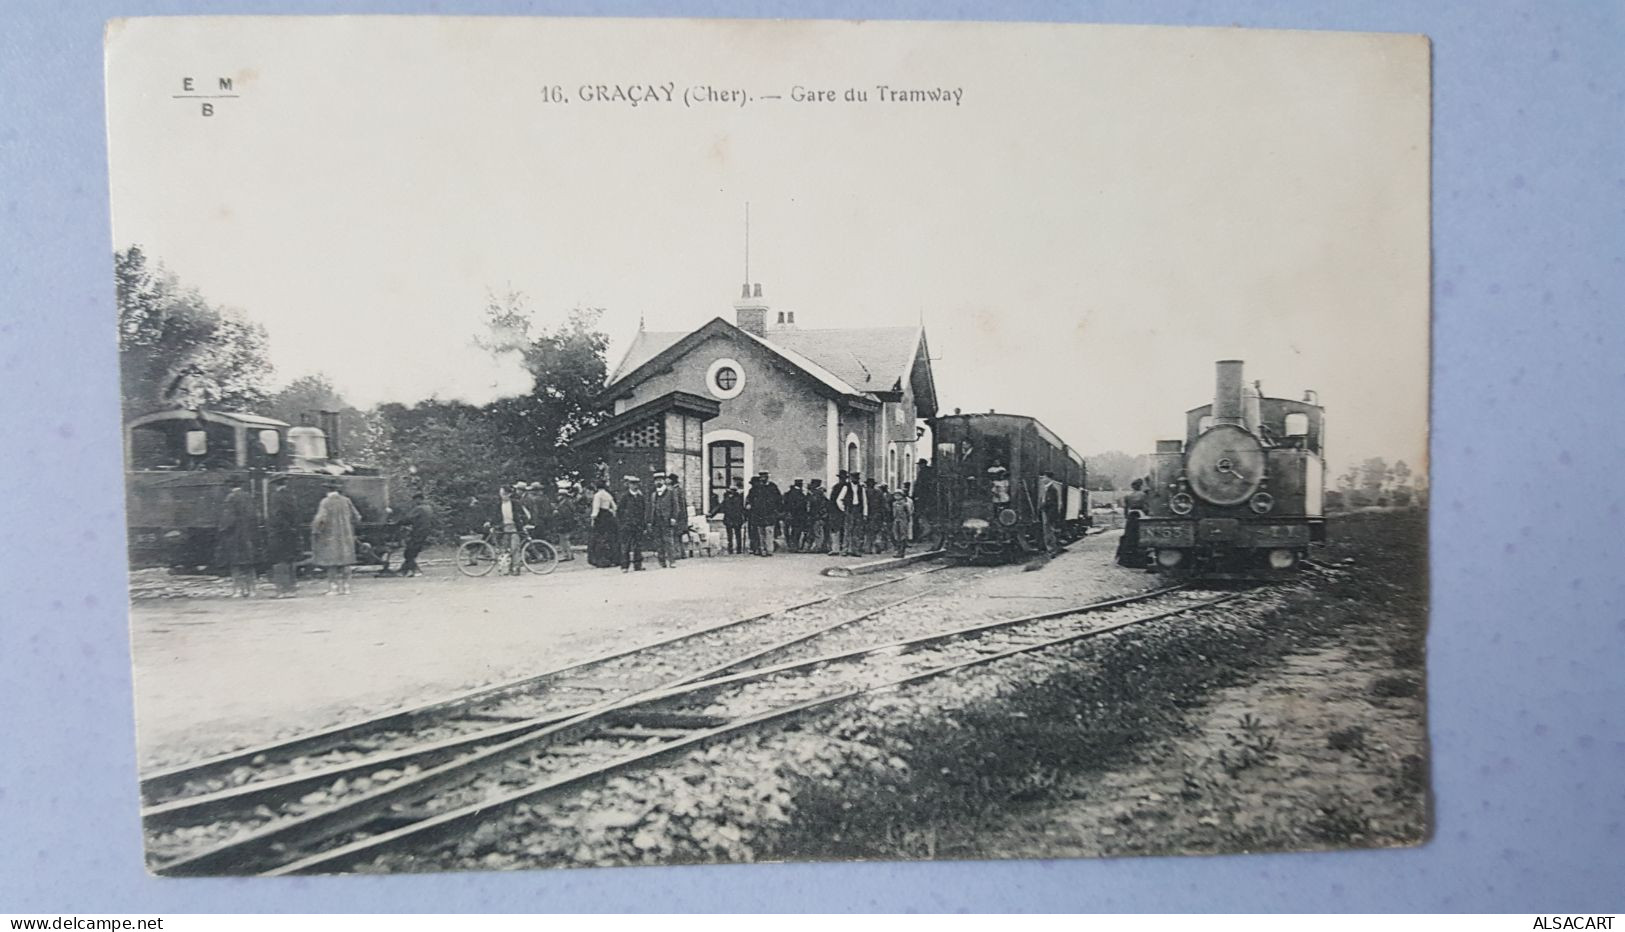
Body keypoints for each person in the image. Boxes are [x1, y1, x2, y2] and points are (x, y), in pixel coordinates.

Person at [311, 480, 362, 595]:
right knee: (346, 561)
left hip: (330, 536)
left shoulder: (325, 502)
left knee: (331, 562)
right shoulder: (346, 501)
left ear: (327, 490)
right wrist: (350, 526)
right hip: (346, 536)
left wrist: (316, 531)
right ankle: (347, 587)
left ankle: (333, 587)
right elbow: (357, 517)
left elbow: (321, 519)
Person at [217, 479, 259, 597]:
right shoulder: (248, 497)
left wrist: (222, 529)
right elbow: (254, 515)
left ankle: (238, 590)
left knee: (236, 564)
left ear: (230, 487)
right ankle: (252, 590)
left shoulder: (230, 498)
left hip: (235, 535)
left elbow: (228, 519)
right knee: (249, 564)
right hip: (248, 535)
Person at [266, 476, 302, 597]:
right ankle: (292, 589)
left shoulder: (276, 496)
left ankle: (281, 590)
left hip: (279, 533)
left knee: (279, 561)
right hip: (291, 533)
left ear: (275, 485)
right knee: (290, 561)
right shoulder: (291, 495)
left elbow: (277, 516)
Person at [647, 473, 683, 568]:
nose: (658, 482)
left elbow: (676, 506)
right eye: (656, 480)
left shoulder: (670, 492)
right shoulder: (653, 494)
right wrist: (650, 521)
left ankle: (672, 561)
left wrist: (674, 518)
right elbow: (651, 508)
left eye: (660, 480)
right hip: (656, 520)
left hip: (667, 520)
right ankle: (661, 561)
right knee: (658, 542)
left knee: (668, 541)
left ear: (664, 481)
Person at [396, 492, 435, 577]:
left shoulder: (419, 508)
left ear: (418, 499)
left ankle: (415, 570)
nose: (413, 502)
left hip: (418, 533)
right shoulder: (428, 508)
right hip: (425, 532)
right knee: (412, 552)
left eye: (414, 500)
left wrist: (399, 522)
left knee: (409, 552)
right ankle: (404, 570)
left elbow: (408, 518)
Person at [617, 476, 649, 571]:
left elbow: (643, 511)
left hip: (638, 525)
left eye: (636, 484)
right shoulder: (624, 497)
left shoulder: (640, 497)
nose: (634, 486)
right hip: (627, 525)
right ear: (629, 485)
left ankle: (637, 565)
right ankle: (624, 566)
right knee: (626, 546)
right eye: (632, 484)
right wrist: (623, 523)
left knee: (638, 546)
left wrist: (643, 524)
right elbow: (619, 511)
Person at [1117, 478, 1151, 568]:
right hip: (1140, 515)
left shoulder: (1128, 496)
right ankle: (1141, 560)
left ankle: (1127, 560)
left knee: (1129, 536)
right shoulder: (1144, 495)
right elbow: (1146, 507)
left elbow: (1125, 509)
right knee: (1140, 536)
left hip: (1131, 516)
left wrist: (1127, 516)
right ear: (1140, 486)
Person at [710, 477, 747, 555]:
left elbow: (720, 507)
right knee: (733, 535)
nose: (730, 494)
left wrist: (711, 514)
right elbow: (719, 507)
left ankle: (736, 549)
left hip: (734, 519)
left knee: (735, 535)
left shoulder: (736, 500)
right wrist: (711, 514)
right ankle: (734, 549)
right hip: (732, 519)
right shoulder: (733, 499)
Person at [587, 479, 619, 568]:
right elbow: (615, 507)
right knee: (610, 538)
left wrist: (593, 519)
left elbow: (596, 509)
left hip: (600, 518)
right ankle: (614, 559)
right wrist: (611, 512)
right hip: (608, 517)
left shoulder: (597, 495)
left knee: (599, 539)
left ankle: (601, 561)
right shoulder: (608, 495)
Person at [496, 485, 525, 575]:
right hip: (503, 528)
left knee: (515, 547)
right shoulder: (498, 504)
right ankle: (506, 568)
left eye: (504, 494)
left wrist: (522, 524)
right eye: (501, 494)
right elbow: (495, 516)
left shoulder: (515, 503)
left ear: (509, 494)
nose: (502, 496)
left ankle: (516, 567)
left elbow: (522, 514)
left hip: (514, 527)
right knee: (504, 548)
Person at [554, 481, 583, 562]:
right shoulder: (567, 503)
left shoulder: (564, 504)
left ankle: (567, 555)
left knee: (564, 539)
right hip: (567, 523)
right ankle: (568, 554)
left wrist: (557, 513)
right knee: (564, 539)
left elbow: (565, 514)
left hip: (564, 523)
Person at [841, 472, 867, 556]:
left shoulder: (861, 488)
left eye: (857, 478)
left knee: (857, 531)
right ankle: (845, 549)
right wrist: (843, 509)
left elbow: (864, 501)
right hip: (850, 510)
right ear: (851, 479)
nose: (855, 480)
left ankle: (855, 550)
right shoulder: (846, 487)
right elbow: (839, 499)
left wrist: (865, 513)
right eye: (853, 478)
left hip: (858, 510)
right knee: (848, 530)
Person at [665, 473, 690, 560]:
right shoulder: (680, 490)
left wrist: (675, 516)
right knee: (679, 535)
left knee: (675, 535)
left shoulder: (674, 491)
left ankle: (677, 553)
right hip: (682, 516)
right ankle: (682, 553)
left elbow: (677, 505)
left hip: (678, 517)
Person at [827, 470, 851, 555]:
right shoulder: (839, 486)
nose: (842, 480)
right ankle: (838, 548)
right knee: (838, 529)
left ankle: (837, 548)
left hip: (839, 511)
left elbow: (833, 500)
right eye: (841, 478)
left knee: (838, 529)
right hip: (838, 511)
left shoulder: (840, 487)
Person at [782, 479, 808, 552]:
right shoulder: (800, 493)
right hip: (798, 515)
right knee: (797, 531)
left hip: (790, 514)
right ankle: (795, 546)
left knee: (790, 531)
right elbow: (801, 505)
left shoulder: (789, 493)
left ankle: (791, 546)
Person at [806, 478, 828, 553]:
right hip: (818, 516)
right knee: (817, 531)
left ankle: (818, 547)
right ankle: (817, 546)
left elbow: (814, 505)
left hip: (817, 516)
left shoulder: (817, 494)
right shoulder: (821, 493)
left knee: (817, 532)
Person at [891, 489, 915, 558]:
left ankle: (901, 551)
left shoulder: (905, 504)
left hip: (903, 520)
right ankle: (898, 550)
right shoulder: (894, 504)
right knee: (896, 535)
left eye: (898, 495)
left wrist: (906, 521)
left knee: (903, 535)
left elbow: (909, 513)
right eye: (896, 495)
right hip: (896, 520)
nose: (897, 496)